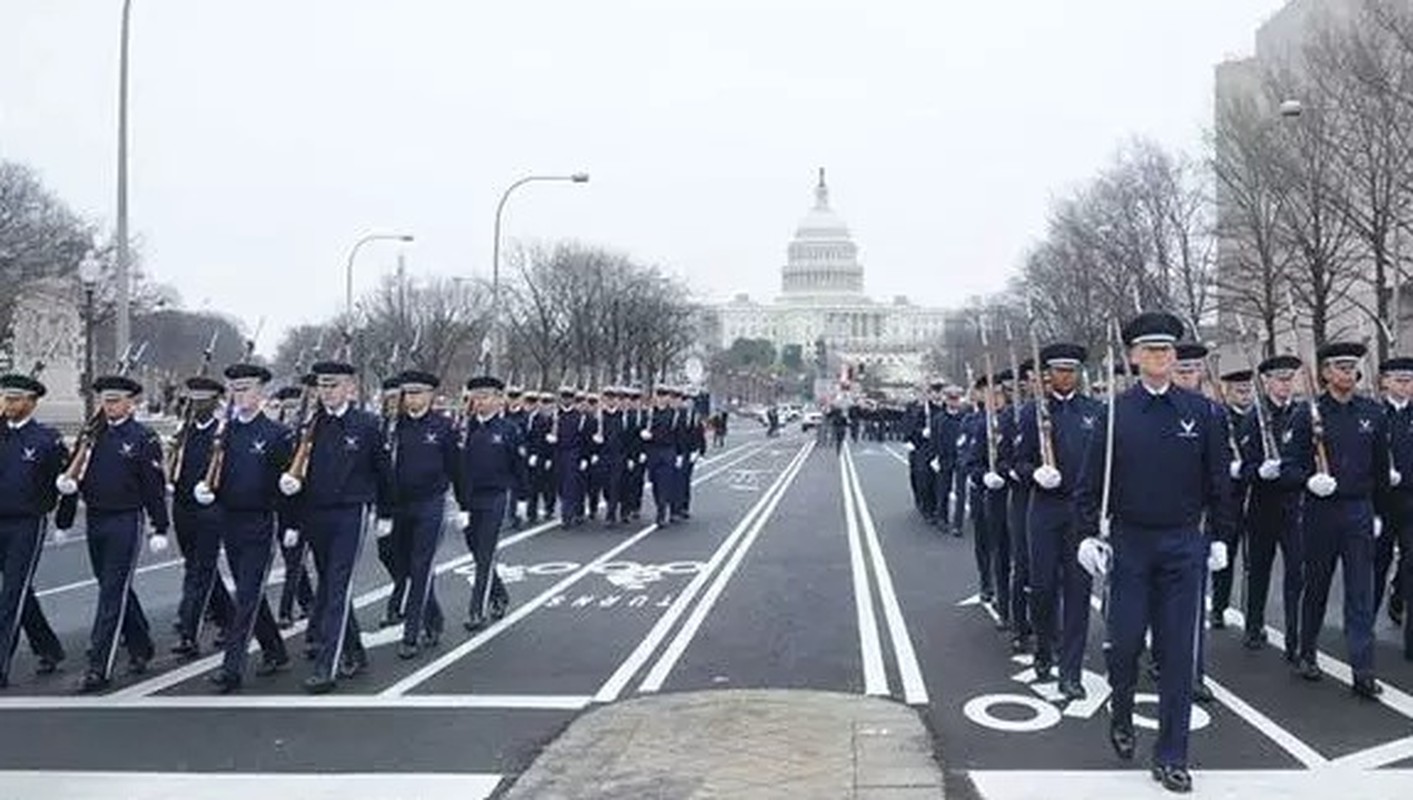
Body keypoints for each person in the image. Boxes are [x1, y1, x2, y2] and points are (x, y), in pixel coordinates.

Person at [1074, 311, 1233, 794]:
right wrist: (1087, 535)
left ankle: (1172, 755)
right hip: (1130, 543)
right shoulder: (1114, 413)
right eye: (1151, 350)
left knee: (1178, 653)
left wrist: (1221, 536)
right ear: (1134, 356)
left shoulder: (1204, 413)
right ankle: (1121, 708)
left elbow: (1219, 482)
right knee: (1123, 646)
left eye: (1168, 350)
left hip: (1184, 543)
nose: (1161, 357)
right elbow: (1090, 484)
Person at [277, 359, 391, 694]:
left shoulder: (367, 425)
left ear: (351, 388)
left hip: (350, 512)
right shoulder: (308, 425)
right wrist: (292, 517)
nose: (328, 392)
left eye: (334, 385)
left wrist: (386, 512)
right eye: (323, 386)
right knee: (330, 584)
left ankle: (328, 665)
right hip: (315, 513)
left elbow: (383, 471)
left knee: (337, 587)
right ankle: (354, 651)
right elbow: (298, 472)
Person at [55, 373, 172, 693]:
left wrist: (159, 526)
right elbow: (73, 478)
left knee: (111, 593)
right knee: (112, 587)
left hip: (125, 519)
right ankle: (141, 643)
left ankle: (99, 665)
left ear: (130, 403)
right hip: (96, 517)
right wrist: (64, 521)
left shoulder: (142, 438)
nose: (109, 406)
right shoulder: (91, 434)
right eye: (105, 400)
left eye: (115, 400)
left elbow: (153, 488)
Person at [1287, 341, 1388, 699]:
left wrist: (1378, 512)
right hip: (1321, 510)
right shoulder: (1308, 413)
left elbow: (1379, 467)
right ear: (1325, 373)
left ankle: (1363, 669)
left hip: (1358, 509)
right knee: (1316, 585)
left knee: (1361, 593)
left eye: (1351, 367)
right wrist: (1308, 480)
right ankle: (1307, 651)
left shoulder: (1372, 413)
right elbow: (1290, 466)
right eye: (1339, 367)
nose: (1348, 373)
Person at [193, 362, 294, 692]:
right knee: (251, 593)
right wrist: (208, 490)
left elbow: (288, 485)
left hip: (261, 521)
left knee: (247, 595)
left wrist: (291, 524)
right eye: (235, 389)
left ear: (261, 391)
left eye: (247, 388)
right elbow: (216, 472)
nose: (240, 395)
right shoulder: (225, 432)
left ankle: (231, 668)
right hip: (230, 520)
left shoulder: (276, 434)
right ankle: (275, 650)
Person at [1014, 343, 1100, 697]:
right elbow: (1016, 462)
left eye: (1072, 370)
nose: (1066, 376)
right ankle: (1044, 647)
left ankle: (1071, 671)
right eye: (1060, 371)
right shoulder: (1034, 413)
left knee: (1079, 591)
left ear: (1079, 373)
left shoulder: (1095, 412)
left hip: (1081, 512)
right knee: (1044, 587)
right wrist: (1035, 473)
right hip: (1046, 509)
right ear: (1049, 374)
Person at [382, 369, 457, 658]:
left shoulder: (443, 427)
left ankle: (412, 633)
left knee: (421, 564)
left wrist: (462, 504)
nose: (410, 399)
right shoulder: (392, 426)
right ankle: (433, 616)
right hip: (398, 505)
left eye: (416, 393)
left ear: (430, 395)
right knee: (401, 563)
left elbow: (455, 466)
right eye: (407, 393)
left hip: (430, 503)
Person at [0, 371, 68, 687]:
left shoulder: (46, 440)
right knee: (21, 590)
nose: (7, 404)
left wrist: (63, 521)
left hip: (26, 522)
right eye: (5, 398)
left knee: (12, 593)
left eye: (14, 399)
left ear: (31, 402)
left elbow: (66, 483)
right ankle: (48, 647)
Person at [1239, 355, 1305, 656]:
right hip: (1263, 506)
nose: (1285, 384)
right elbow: (1244, 466)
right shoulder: (1255, 417)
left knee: (1296, 572)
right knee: (1259, 570)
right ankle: (1254, 625)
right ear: (1266, 381)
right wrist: (1258, 471)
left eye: (1289, 378)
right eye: (1279, 379)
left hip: (1294, 505)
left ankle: (1295, 636)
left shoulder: (1303, 414)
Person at [169, 374, 234, 658]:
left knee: (201, 568)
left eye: (203, 401)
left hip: (211, 507)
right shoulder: (186, 432)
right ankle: (228, 619)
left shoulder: (222, 433)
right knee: (194, 565)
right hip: (182, 506)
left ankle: (188, 632)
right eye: (193, 401)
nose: (197, 406)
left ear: (215, 400)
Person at [455, 375, 526, 631]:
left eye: (485, 397)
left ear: (498, 399)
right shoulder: (464, 428)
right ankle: (500, 594)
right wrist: (460, 503)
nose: (479, 402)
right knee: (475, 551)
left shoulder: (508, 429)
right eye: (475, 397)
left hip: (496, 496)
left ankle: (477, 610)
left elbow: (519, 467)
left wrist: (522, 499)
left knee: (486, 553)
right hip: (468, 499)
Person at [1382, 357, 1413, 661]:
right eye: (1400, 379)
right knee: (1375, 566)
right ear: (1386, 382)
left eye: (1410, 379)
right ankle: (1361, 629)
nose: (1406, 385)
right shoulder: (1374, 414)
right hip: (1381, 501)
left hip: (1411, 500)